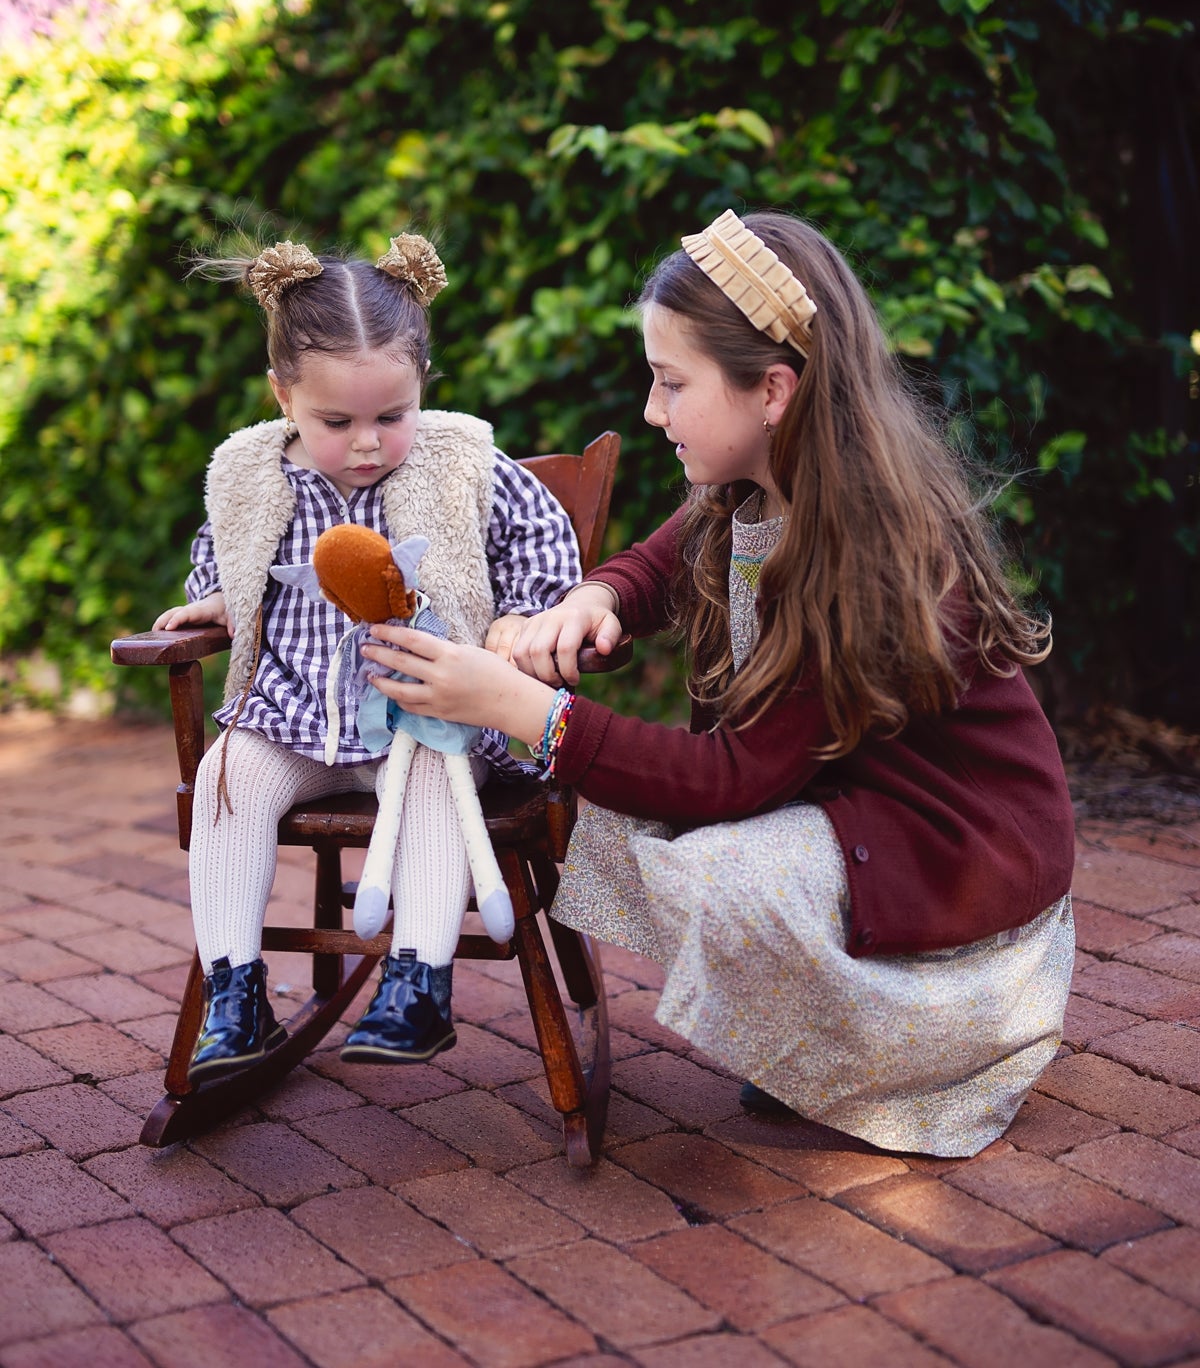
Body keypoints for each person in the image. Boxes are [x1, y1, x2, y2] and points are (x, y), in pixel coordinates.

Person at [361, 209, 1077, 1158]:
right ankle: (810, 1027)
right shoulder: (752, 484)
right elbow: (664, 558)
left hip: (952, 868)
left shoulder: (864, 556)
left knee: (717, 868)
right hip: (861, 809)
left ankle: (909, 1051)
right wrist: (598, 596)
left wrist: (524, 713)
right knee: (633, 814)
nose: (652, 411)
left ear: (772, 390)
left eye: (670, 383)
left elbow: (729, 779)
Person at [153, 234, 580, 1078]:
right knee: (223, 779)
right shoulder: (257, 477)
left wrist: (525, 622)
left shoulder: (463, 467)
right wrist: (219, 597)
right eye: (335, 422)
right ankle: (234, 995)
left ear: (422, 384)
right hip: (295, 715)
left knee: (428, 776)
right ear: (284, 397)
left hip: (424, 716)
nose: (366, 443)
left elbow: (542, 542)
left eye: (391, 416)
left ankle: (416, 982)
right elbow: (226, 550)